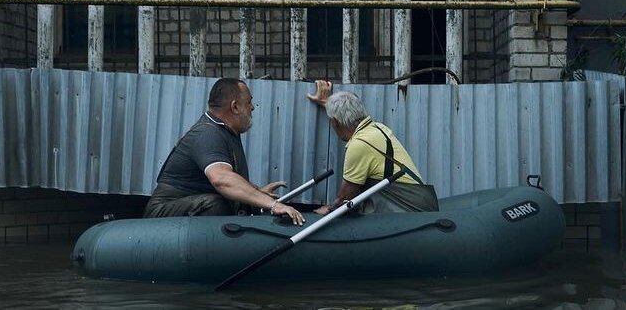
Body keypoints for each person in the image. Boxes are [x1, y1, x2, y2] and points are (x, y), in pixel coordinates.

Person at [144, 77, 305, 225]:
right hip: (160, 216)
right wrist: (273, 205)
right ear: (235, 106)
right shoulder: (207, 133)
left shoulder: (226, 131)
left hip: (187, 210)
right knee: (215, 205)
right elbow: (221, 178)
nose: (253, 108)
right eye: (249, 102)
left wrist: (256, 192)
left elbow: (229, 178)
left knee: (240, 202)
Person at [307, 81, 438, 214]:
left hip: (407, 209)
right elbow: (344, 113)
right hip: (422, 201)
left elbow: (346, 198)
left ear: (334, 122)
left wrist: (328, 210)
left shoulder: (359, 144)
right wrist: (327, 102)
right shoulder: (378, 128)